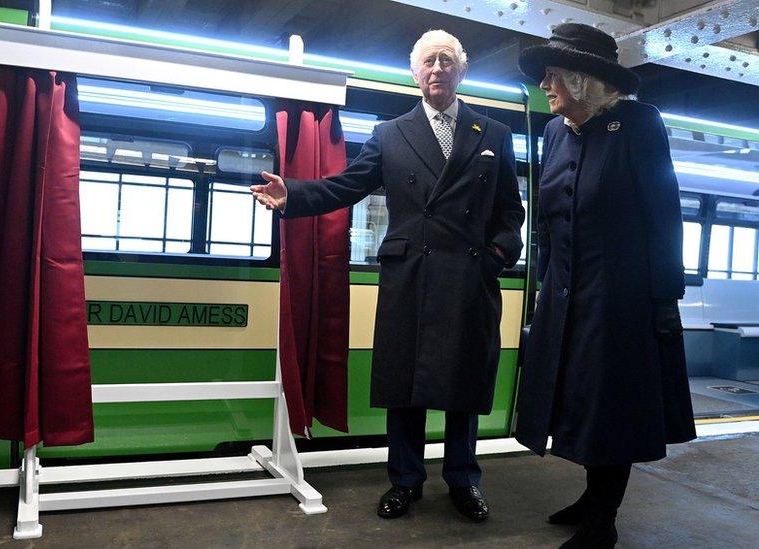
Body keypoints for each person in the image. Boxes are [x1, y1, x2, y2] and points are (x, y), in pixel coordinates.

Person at [252, 29, 524, 522]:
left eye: (446, 60)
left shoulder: (494, 134)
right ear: (415, 73)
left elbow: (511, 212)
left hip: (468, 279)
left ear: (461, 71)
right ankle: (405, 480)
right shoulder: (390, 134)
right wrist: (293, 194)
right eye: (428, 62)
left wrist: (496, 255)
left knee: (463, 385)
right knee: (407, 385)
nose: (437, 69)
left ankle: (463, 479)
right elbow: (348, 185)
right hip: (411, 278)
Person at [515, 23, 696, 548]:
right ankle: (593, 497)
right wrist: (543, 290)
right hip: (566, 295)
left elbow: (664, 217)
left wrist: (666, 299)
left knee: (610, 407)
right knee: (576, 401)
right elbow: (547, 220)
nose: (545, 85)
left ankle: (604, 519)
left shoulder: (639, 124)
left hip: (621, 299)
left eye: (553, 76)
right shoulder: (554, 133)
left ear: (583, 79)